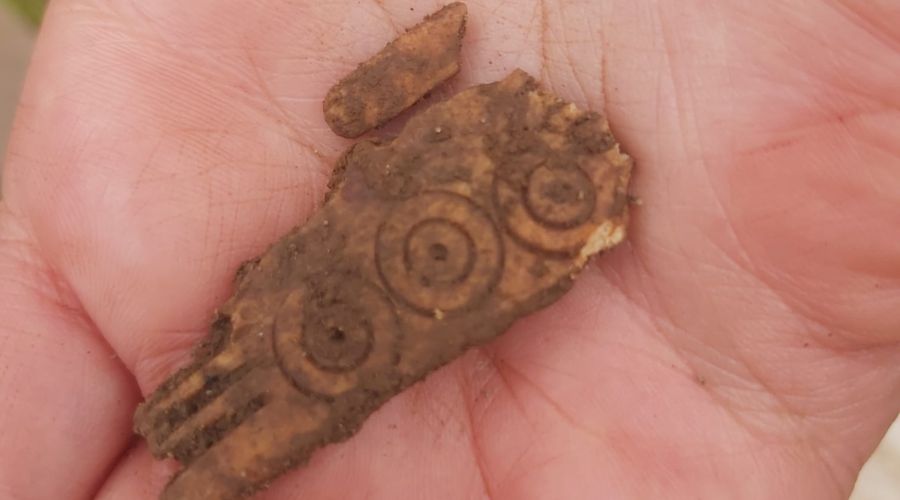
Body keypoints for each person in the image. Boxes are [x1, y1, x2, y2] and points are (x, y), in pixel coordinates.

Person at [0, 1, 897, 498]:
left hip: (363, 299)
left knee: (271, 394)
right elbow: (364, 151)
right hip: (334, 298)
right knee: (253, 383)